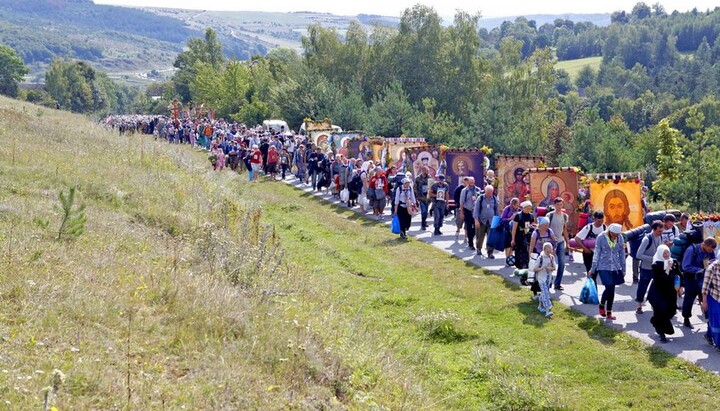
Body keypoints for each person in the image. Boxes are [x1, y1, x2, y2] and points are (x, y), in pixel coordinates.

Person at [589, 223, 626, 321]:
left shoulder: (620, 238)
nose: (615, 236)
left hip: (615, 266)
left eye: (617, 235)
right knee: (609, 287)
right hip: (603, 266)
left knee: (612, 289)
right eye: (613, 234)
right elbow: (596, 253)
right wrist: (593, 269)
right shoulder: (601, 237)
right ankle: (602, 305)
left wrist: (623, 268)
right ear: (609, 231)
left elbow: (622, 253)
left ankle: (609, 311)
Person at [681, 238, 718, 329]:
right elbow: (685, 266)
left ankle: (709, 321)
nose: (711, 251)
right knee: (689, 300)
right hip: (691, 280)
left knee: (708, 299)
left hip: (704, 279)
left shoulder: (710, 251)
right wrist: (701, 270)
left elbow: (713, 261)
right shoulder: (691, 250)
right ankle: (686, 319)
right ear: (704, 245)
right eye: (710, 249)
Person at [649, 244, 681, 343]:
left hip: (670, 292)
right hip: (658, 292)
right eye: (664, 253)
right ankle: (661, 333)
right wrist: (668, 268)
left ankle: (654, 320)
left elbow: (678, 274)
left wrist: (680, 287)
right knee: (660, 312)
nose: (666, 254)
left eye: (667, 252)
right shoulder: (656, 265)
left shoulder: (673, 261)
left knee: (671, 311)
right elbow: (660, 279)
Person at [635, 221, 664, 314]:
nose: (661, 233)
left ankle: (653, 303)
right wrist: (653, 259)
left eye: (662, 231)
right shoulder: (647, 239)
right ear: (654, 229)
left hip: (656, 268)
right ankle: (639, 305)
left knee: (657, 287)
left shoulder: (660, 237)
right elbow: (638, 255)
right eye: (659, 231)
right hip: (646, 268)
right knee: (643, 286)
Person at [547, 197, 570, 291]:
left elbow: (564, 230)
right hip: (550, 242)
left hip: (560, 241)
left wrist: (567, 242)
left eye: (561, 204)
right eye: (557, 204)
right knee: (549, 263)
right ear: (554, 205)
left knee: (562, 263)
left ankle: (557, 284)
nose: (559, 206)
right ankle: (547, 282)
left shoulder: (565, 216)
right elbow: (546, 228)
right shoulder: (549, 215)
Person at [473, 185, 500, 258]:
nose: (489, 194)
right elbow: (476, 210)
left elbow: (497, 211)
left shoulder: (494, 199)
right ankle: (478, 249)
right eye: (488, 192)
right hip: (482, 221)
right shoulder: (480, 198)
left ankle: (490, 252)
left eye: (491, 192)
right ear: (485, 191)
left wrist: (497, 222)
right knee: (480, 236)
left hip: (491, 221)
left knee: (491, 237)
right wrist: (476, 220)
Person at [534, 242, 556, 317]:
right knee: (546, 294)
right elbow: (534, 269)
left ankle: (540, 307)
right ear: (544, 250)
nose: (549, 253)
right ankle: (547, 310)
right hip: (541, 278)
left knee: (543, 293)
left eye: (550, 251)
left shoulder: (552, 257)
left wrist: (550, 268)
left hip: (548, 279)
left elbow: (554, 268)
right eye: (547, 251)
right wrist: (541, 268)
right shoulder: (540, 258)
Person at [511, 201, 536, 270]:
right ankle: (518, 265)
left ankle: (525, 265)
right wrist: (513, 239)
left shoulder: (531, 216)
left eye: (530, 209)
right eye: (527, 208)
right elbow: (514, 228)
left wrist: (533, 226)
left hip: (528, 236)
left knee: (526, 250)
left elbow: (533, 225)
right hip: (519, 236)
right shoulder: (518, 216)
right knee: (518, 250)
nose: (529, 210)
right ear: (523, 208)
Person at [702, 259, 720, 350]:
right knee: (717, 321)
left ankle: (709, 335)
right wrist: (704, 302)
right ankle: (718, 344)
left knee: (715, 320)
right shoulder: (711, 268)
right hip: (714, 297)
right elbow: (705, 287)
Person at [459, 177, 481, 251]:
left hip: (476, 211)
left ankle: (472, 237)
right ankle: (471, 243)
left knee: (476, 228)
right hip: (468, 211)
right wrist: (462, 213)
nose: (472, 183)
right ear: (467, 182)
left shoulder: (478, 189)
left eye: (473, 181)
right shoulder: (464, 191)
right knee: (469, 228)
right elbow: (461, 202)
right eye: (470, 181)